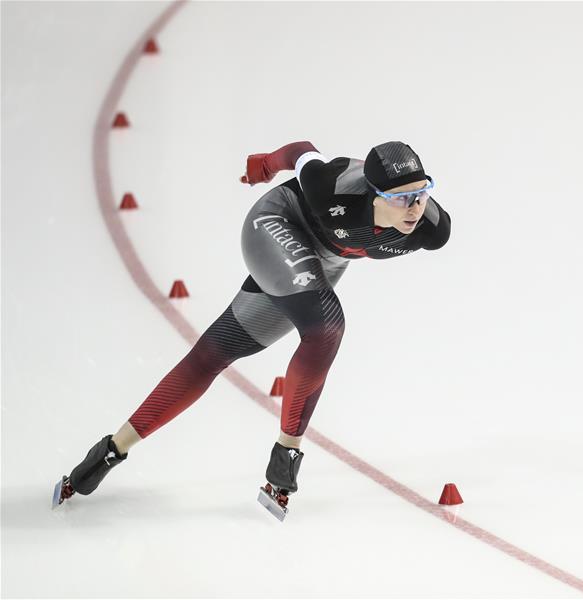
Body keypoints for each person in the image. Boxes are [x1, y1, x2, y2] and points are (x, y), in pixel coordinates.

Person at [54, 140, 451, 513]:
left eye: (422, 191)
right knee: (327, 326)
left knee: (213, 354)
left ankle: (108, 451)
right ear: (373, 193)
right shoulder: (332, 188)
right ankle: (286, 458)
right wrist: (264, 165)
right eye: (401, 198)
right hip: (278, 223)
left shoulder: (431, 228)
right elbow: (302, 151)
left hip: (322, 261)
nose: (414, 207)